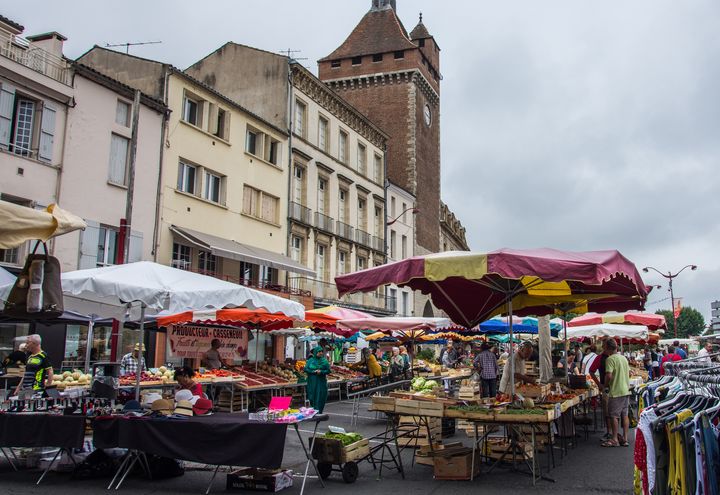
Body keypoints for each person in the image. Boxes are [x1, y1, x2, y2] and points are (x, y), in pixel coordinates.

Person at [602, 338, 631, 447]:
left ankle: (614, 439)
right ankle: (625, 438)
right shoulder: (623, 358)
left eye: (604, 347)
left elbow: (609, 375)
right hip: (625, 389)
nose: (603, 349)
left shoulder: (610, 359)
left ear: (608, 348)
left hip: (616, 390)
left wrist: (605, 385)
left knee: (613, 415)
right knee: (625, 415)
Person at [589, 344, 612, 439]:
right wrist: (599, 384)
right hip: (607, 388)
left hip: (612, 388)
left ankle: (614, 434)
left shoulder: (614, 357)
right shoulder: (600, 358)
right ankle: (610, 432)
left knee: (613, 413)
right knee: (608, 412)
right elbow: (591, 371)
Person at [304, 347, 330, 412]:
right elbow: (306, 369)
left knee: (321, 396)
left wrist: (321, 372)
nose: (321, 353)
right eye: (319, 352)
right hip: (312, 381)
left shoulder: (324, 361)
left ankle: (319, 411)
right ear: (315, 352)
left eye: (321, 351)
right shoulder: (310, 360)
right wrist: (313, 372)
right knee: (312, 396)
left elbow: (328, 370)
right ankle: (314, 409)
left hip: (321, 382)